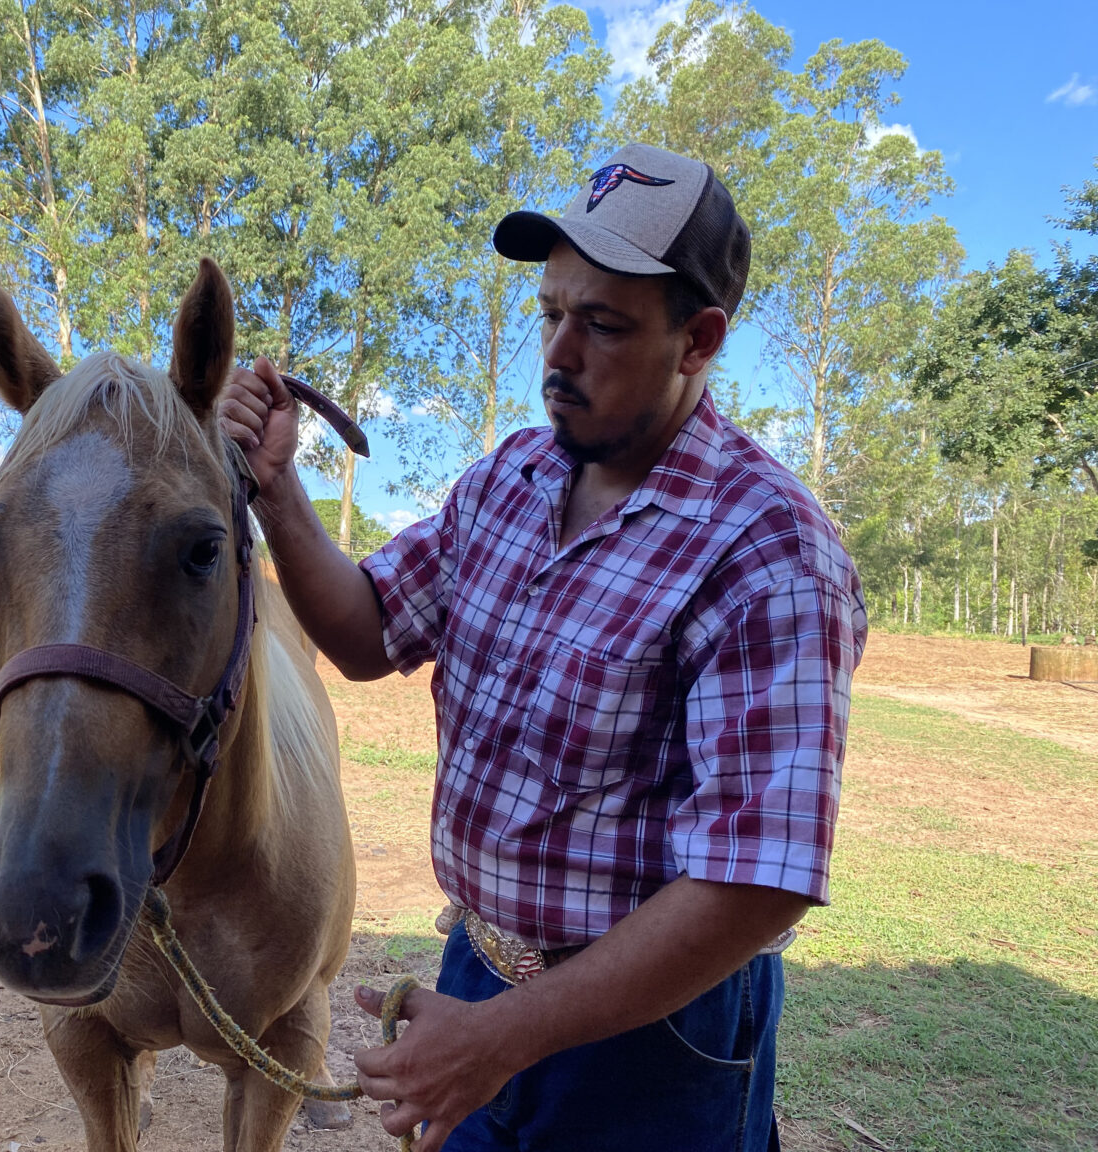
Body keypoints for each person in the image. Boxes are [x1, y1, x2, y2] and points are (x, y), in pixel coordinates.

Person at [218, 142, 867, 1152]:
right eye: (550, 314)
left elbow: (758, 877)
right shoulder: (509, 481)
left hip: (656, 1037)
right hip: (480, 975)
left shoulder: (769, 549)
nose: (557, 356)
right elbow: (364, 631)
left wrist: (499, 1041)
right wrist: (276, 488)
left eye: (601, 325)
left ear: (699, 340)